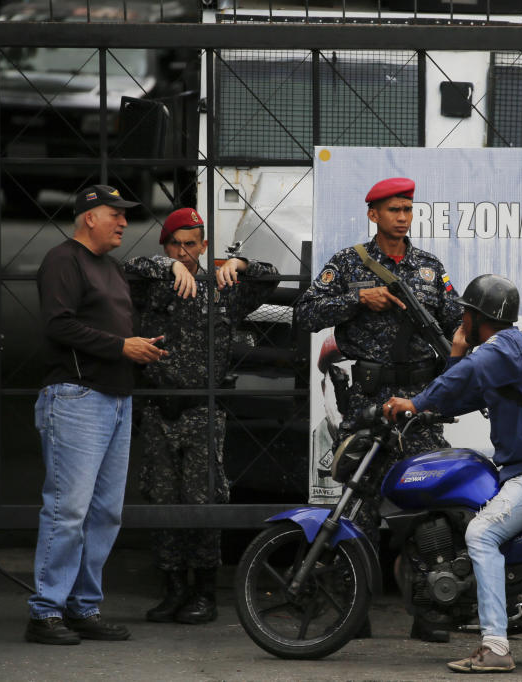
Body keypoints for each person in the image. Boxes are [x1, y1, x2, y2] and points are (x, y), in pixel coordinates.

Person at [385, 274, 522, 674]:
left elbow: (464, 376)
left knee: (481, 533)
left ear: (478, 316)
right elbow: (464, 391)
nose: (461, 321)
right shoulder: (509, 350)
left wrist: (414, 403)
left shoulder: (503, 347)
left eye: (465, 315)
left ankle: (495, 646)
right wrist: (453, 358)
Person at [27, 185, 167, 645]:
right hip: (76, 397)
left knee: (105, 512)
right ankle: (45, 611)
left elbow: (109, 325)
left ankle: (83, 607)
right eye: (115, 215)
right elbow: (57, 323)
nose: (125, 223)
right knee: (68, 510)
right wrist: (121, 346)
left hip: (116, 398)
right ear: (89, 217)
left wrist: (136, 348)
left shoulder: (110, 267)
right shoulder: (62, 260)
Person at [124, 207, 279, 624]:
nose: (184, 251)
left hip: (201, 411)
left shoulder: (221, 287)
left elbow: (271, 276)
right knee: (161, 499)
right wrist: (168, 265)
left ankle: (204, 592)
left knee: (204, 500)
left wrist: (239, 264)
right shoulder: (154, 284)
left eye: (191, 244)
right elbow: (128, 267)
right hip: (159, 407)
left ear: (204, 246)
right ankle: (172, 588)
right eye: (176, 244)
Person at [294, 176, 463, 458]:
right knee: (362, 483)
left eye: (407, 209)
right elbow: (305, 314)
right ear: (373, 214)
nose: (403, 217)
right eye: (394, 210)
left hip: (418, 398)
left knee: (424, 479)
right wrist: (358, 299)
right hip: (368, 398)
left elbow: (456, 322)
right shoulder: (348, 262)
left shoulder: (430, 267)